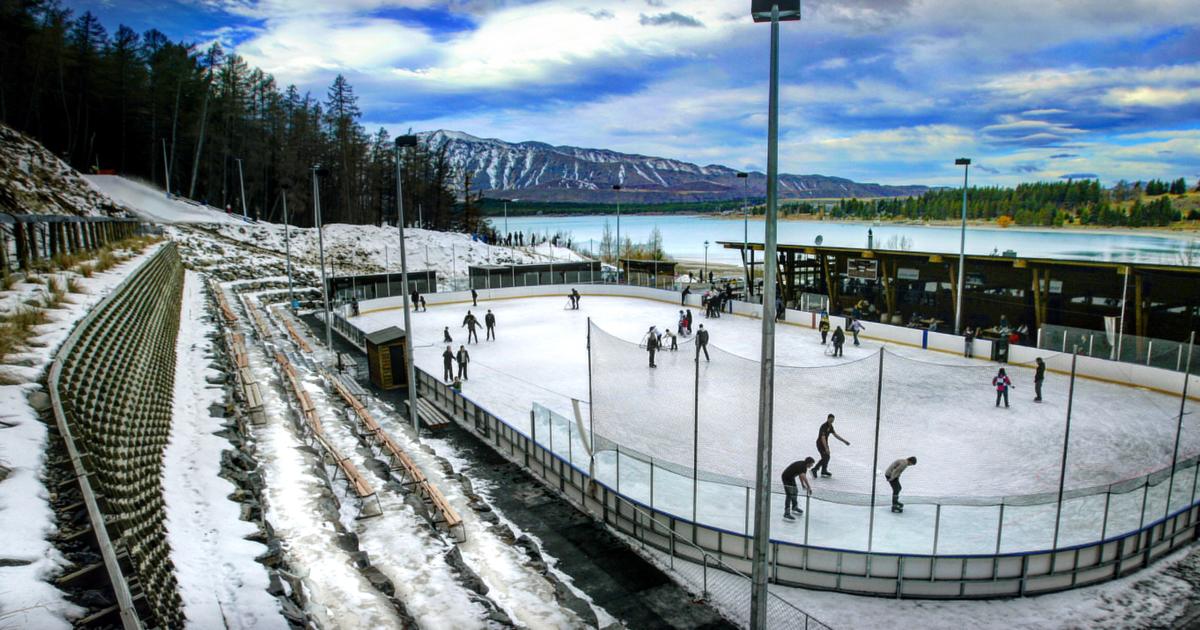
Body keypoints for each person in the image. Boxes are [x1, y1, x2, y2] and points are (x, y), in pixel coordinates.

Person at [812, 414, 850, 478]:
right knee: (825, 457)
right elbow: (823, 438)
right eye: (831, 420)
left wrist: (844, 441)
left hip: (825, 444)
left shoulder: (830, 426)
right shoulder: (824, 426)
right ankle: (815, 469)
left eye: (833, 420)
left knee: (827, 457)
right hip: (820, 444)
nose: (832, 421)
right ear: (828, 418)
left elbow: (835, 435)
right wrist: (826, 448)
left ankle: (823, 470)